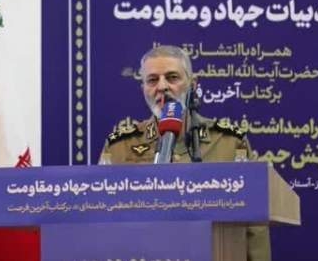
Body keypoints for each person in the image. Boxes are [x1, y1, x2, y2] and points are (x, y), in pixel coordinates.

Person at [98, 44, 271, 261]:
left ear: (192, 85)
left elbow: (255, 227)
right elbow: (101, 224)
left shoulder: (229, 142)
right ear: (143, 89)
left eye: (172, 78)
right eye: (152, 80)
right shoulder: (119, 147)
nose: (162, 87)